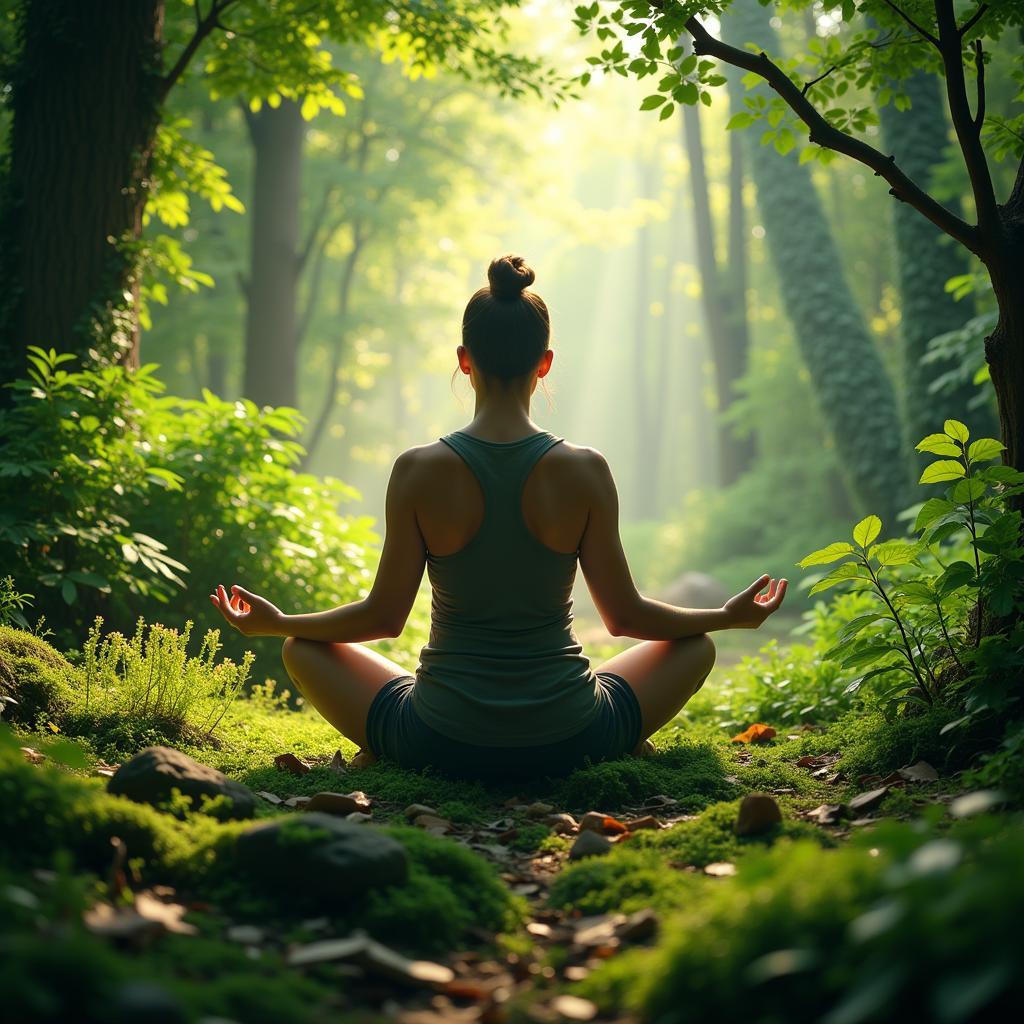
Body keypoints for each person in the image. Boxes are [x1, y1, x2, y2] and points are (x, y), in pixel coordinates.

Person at [210, 254, 787, 779]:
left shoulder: (417, 470)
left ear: (464, 362)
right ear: (545, 363)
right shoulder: (586, 470)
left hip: (437, 737)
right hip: (573, 734)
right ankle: (620, 744)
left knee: (298, 648)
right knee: (698, 644)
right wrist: (726, 616)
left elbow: (383, 618)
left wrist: (280, 622)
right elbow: (625, 616)